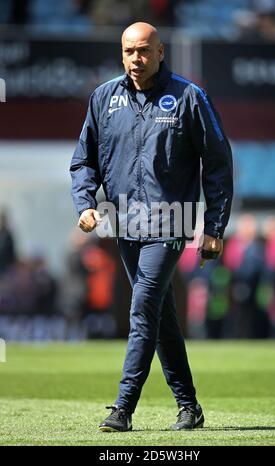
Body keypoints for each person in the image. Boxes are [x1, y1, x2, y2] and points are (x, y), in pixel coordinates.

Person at [70, 22, 233, 432]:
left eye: (144, 50)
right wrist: (85, 202)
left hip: (170, 223)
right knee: (159, 316)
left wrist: (213, 226)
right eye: (129, 52)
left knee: (142, 307)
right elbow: (83, 160)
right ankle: (189, 406)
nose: (136, 59)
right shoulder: (103, 99)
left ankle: (123, 407)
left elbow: (217, 161)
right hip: (125, 225)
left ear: (161, 52)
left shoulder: (188, 97)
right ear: (120, 53)